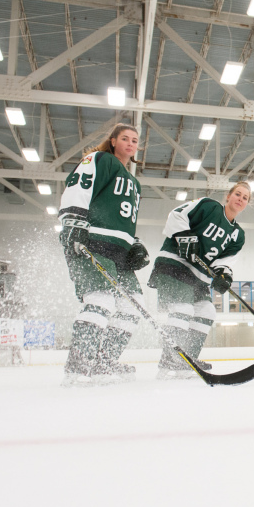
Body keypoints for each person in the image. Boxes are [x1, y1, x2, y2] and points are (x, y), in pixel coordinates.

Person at [58, 123, 149, 386]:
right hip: (92, 241)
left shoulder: (134, 182)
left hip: (119, 253)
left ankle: (103, 362)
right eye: (125, 138)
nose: (131, 144)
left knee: (132, 308)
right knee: (101, 301)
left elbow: (120, 216)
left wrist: (134, 242)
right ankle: (77, 367)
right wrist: (73, 223)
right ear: (112, 141)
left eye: (135, 140)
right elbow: (78, 187)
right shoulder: (100, 159)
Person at [147, 182, 250, 379]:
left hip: (199, 276)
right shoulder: (208, 206)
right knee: (182, 309)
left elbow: (225, 261)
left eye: (245, 198)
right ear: (228, 196)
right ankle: (170, 360)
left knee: (207, 310)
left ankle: (187, 359)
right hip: (175, 264)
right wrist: (185, 237)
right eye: (238, 194)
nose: (240, 199)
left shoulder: (238, 235)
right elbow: (177, 214)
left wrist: (223, 275)